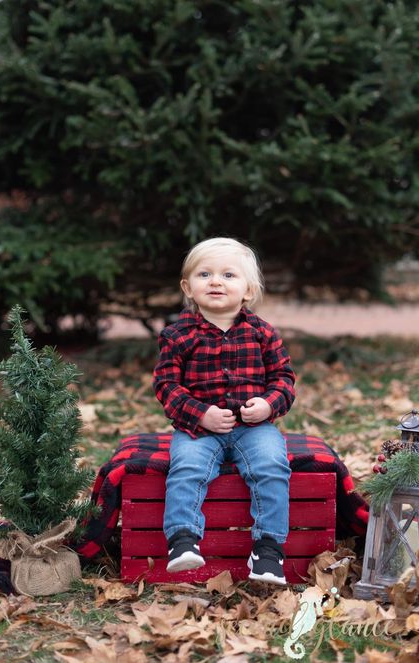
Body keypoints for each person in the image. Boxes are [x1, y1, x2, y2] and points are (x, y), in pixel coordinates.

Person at [153, 237, 296, 585]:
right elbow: (166, 385)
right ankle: (183, 540)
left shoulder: (262, 333)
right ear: (188, 287)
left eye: (228, 275)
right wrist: (199, 414)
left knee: (272, 466)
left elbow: (283, 379)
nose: (216, 281)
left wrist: (267, 405)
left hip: (254, 427)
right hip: (199, 429)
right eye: (205, 274)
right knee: (186, 466)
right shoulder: (177, 335)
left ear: (248, 290)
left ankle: (268, 549)